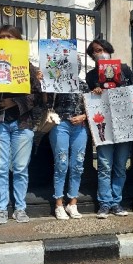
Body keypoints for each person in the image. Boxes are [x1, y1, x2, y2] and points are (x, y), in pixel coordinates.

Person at [0, 25, 40, 224]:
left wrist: (14, 102)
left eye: (11, 36)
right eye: (2, 36)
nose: (7, 39)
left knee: (21, 168)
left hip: (22, 124)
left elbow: (37, 96)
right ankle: (1, 209)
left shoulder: (28, 66)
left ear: (19, 40)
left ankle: (20, 208)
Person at [87, 38, 133, 218]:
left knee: (120, 166)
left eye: (101, 49)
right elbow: (90, 101)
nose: (99, 53)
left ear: (109, 50)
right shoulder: (91, 75)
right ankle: (105, 203)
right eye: (95, 51)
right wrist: (95, 92)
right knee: (105, 165)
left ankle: (116, 202)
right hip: (104, 126)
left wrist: (121, 86)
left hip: (123, 124)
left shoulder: (124, 69)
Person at [46, 59, 89, 220]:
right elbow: (47, 103)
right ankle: (58, 203)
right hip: (60, 124)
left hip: (80, 126)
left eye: (78, 64)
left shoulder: (84, 85)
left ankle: (73, 202)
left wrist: (83, 116)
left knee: (78, 164)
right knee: (61, 163)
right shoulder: (56, 84)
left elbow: (92, 107)